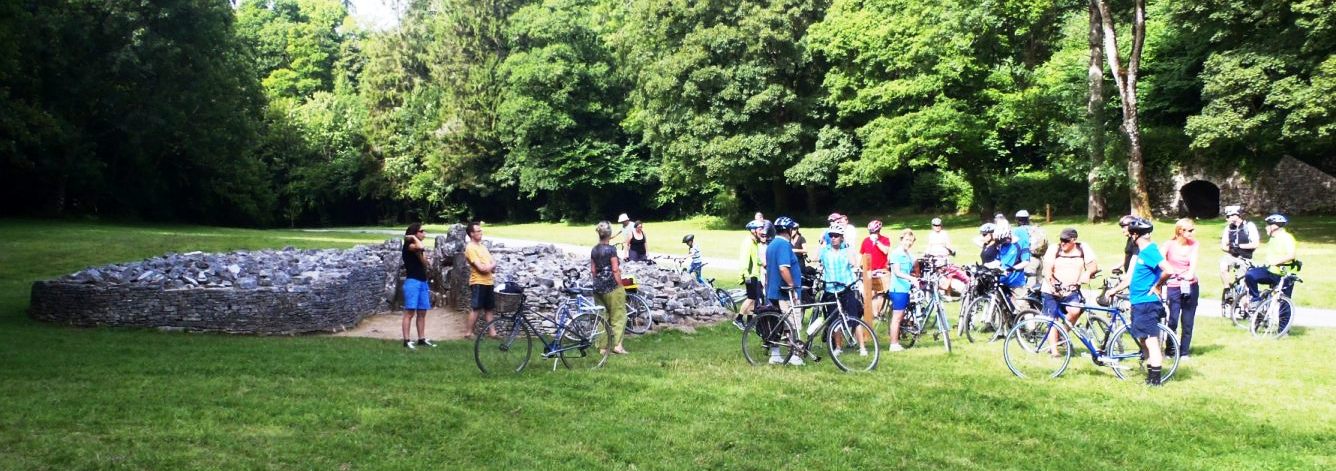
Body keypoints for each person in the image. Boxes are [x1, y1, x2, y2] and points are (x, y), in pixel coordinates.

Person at [1109, 217, 1172, 386]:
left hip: (1147, 302)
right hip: (1139, 302)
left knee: (1152, 342)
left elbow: (1169, 270)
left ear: (1136, 235)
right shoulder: (1143, 253)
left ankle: (1155, 382)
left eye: (1130, 234)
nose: (1129, 237)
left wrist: (1158, 285)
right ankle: (1150, 376)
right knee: (1144, 339)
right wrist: (1115, 290)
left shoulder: (1150, 251)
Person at [1040, 228, 1098, 355]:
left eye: (1066, 241)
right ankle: (1054, 352)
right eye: (1061, 240)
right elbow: (1047, 270)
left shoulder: (1083, 248)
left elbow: (1093, 265)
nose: (1063, 243)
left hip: (1071, 291)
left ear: (1074, 240)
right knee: (1052, 319)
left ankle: (1062, 334)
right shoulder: (1054, 249)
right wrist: (1052, 285)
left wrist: (1088, 273)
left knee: (1075, 311)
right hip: (1051, 290)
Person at [818, 225, 867, 356]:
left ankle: (862, 347)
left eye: (836, 236)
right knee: (834, 320)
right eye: (831, 236)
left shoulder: (847, 250)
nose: (833, 238)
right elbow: (819, 261)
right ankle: (838, 347)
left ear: (841, 238)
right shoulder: (824, 250)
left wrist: (847, 249)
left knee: (854, 318)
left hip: (846, 287)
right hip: (830, 289)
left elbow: (854, 263)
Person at [1243, 214, 1298, 322]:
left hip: (1284, 274)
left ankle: (1283, 330)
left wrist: (1276, 262)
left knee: (1284, 302)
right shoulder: (1273, 238)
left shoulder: (1287, 238)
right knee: (1250, 274)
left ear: (1274, 227)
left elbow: (1291, 255)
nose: (1266, 227)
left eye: (1268, 225)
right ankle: (1256, 300)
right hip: (1270, 271)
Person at [766, 216, 804, 365]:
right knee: (792, 324)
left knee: (780, 324)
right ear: (788, 230)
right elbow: (783, 268)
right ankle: (794, 355)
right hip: (784, 292)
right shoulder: (783, 245)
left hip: (773, 290)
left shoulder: (772, 244)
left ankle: (775, 355)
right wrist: (793, 286)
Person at [1161, 219, 1200, 358]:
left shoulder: (1194, 244)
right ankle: (1170, 350)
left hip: (1190, 285)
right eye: (1189, 230)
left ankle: (1184, 352)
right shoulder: (1169, 245)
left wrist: (1189, 275)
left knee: (1188, 320)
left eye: (1192, 230)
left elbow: (1193, 263)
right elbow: (1159, 259)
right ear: (1180, 231)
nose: (1192, 233)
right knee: (1173, 319)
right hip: (1174, 286)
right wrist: (1168, 271)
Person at [591, 221, 629, 355]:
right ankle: (618, 346)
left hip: (597, 287)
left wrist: (597, 282)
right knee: (618, 316)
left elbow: (593, 270)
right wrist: (620, 285)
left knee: (602, 317)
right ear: (610, 234)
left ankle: (602, 347)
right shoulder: (611, 250)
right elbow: (615, 269)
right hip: (612, 286)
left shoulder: (594, 249)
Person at [401, 223, 435, 349]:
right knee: (409, 312)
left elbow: (425, 264)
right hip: (412, 282)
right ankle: (407, 340)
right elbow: (420, 246)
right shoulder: (409, 246)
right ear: (415, 233)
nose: (424, 233)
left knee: (422, 312)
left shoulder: (418, 250)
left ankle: (421, 339)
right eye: (421, 231)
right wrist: (414, 239)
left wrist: (421, 254)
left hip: (422, 281)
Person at [463, 221, 499, 341]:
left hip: (489, 281)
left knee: (489, 308)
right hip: (478, 282)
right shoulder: (470, 248)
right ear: (471, 234)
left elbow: (492, 266)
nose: (480, 233)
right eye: (478, 231)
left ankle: (492, 333)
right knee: (476, 308)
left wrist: (490, 266)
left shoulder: (482, 247)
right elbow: (482, 268)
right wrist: (491, 265)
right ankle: (468, 333)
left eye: (480, 230)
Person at [886, 229, 919, 352]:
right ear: (901, 240)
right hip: (898, 289)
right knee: (897, 318)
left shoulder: (908, 254)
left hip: (905, 289)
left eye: (911, 241)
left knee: (901, 317)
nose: (908, 243)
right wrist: (911, 278)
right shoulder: (896, 253)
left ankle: (897, 341)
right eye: (906, 240)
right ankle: (893, 344)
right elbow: (898, 272)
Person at [1218, 205, 1260, 287]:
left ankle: (1242, 297)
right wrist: (1230, 249)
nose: (1227, 219)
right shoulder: (1228, 228)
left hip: (1245, 257)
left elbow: (1255, 244)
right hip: (1232, 255)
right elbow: (1223, 245)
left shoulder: (1249, 226)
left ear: (1236, 216)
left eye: (1228, 216)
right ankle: (1227, 289)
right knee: (1223, 266)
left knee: (1241, 281)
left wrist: (1239, 246)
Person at [735, 220, 767, 328]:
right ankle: (738, 319)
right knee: (751, 298)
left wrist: (763, 264)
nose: (761, 231)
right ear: (753, 230)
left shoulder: (754, 242)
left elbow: (755, 258)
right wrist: (746, 275)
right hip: (749, 274)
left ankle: (749, 322)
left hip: (755, 274)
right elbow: (744, 260)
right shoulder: (748, 242)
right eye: (759, 229)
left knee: (753, 299)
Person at [861, 219, 892, 316]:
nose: (873, 234)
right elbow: (861, 254)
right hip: (870, 269)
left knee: (881, 292)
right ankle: (875, 313)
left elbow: (886, 251)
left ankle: (879, 312)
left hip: (881, 269)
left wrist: (877, 241)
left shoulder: (884, 239)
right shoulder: (866, 241)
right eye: (871, 232)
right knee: (871, 292)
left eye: (875, 232)